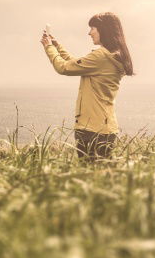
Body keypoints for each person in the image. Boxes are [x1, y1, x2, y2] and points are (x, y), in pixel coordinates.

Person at [41, 13, 135, 162]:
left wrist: (49, 47)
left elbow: (64, 68)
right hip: (107, 127)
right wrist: (58, 47)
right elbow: (77, 64)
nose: (89, 32)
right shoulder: (114, 55)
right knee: (103, 176)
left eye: (93, 28)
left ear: (103, 30)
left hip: (90, 128)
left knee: (90, 175)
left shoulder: (101, 56)